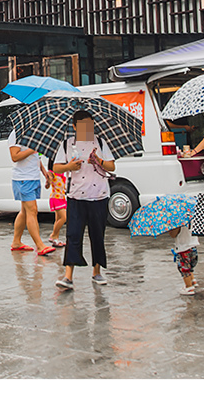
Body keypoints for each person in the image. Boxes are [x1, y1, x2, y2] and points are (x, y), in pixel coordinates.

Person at [53, 110, 116, 290]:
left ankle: (97, 272)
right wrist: (70, 166)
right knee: (73, 234)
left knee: (98, 235)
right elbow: (56, 167)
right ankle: (68, 276)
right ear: (74, 126)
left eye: (90, 124)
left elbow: (112, 165)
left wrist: (99, 160)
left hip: (99, 196)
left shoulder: (101, 142)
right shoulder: (67, 145)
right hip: (76, 196)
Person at [8, 129, 54, 256]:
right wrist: (32, 150)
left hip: (33, 177)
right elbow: (14, 156)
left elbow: (36, 158)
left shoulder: (34, 134)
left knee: (24, 211)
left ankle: (16, 242)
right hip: (23, 178)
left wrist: (45, 173)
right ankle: (40, 245)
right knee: (32, 210)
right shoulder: (16, 134)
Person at [169, 223, 199, 296]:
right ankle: (192, 281)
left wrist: (170, 228)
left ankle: (189, 287)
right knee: (190, 266)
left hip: (183, 248)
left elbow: (173, 234)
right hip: (193, 245)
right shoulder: (190, 215)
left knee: (184, 269)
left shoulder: (177, 220)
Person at [44, 164, 67, 248]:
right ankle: (53, 235)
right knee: (64, 217)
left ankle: (55, 239)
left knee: (57, 219)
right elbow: (48, 184)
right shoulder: (52, 173)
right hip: (56, 198)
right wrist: (48, 181)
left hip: (61, 198)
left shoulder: (62, 173)